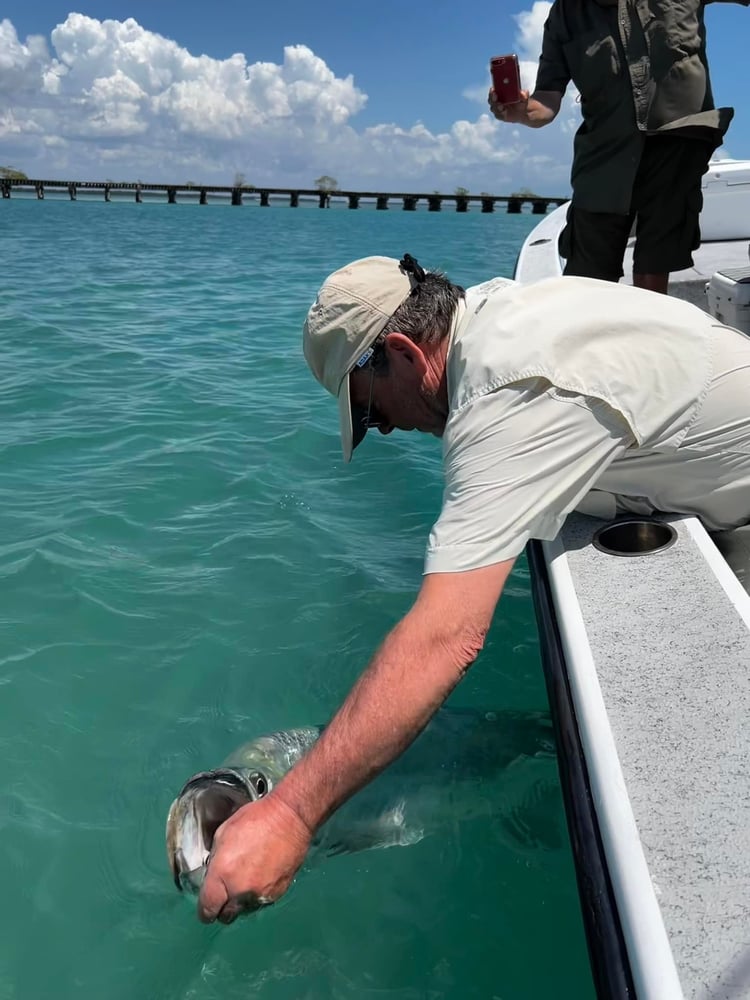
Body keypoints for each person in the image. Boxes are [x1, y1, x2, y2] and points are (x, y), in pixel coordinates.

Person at [197, 254, 750, 924]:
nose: (388, 430)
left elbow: (447, 637)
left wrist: (289, 813)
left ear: (400, 351)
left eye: (371, 412)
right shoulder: (496, 315)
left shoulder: (505, 396)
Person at [488, 0, 749, 294]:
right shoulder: (564, 15)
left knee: (655, 262)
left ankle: (651, 324)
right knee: (588, 278)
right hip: (603, 156)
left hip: (677, 144)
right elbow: (546, 102)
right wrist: (521, 111)